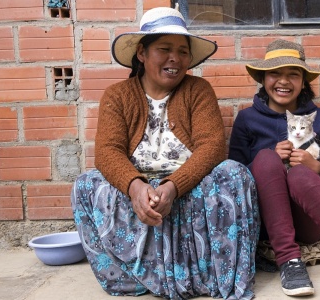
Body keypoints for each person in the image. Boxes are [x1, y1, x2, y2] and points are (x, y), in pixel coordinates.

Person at [70, 7, 260, 300]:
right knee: (85, 184)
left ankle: (213, 274)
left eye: (183, 51)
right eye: (164, 49)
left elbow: (211, 147)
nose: (176, 58)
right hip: (141, 187)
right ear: (142, 53)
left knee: (235, 173)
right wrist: (136, 187)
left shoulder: (198, 90)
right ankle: (131, 278)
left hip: (186, 186)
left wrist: (173, 187)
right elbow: (107, 152)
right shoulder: (117, 96)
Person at [228, 39, 320, 297]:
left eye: (293, 74)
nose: (283, 81)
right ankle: (289, 261)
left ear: (303, 81)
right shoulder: (247, 119)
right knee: (266, 158)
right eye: (275, 73)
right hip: (263, 222)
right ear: (264, 78)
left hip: (307, 225)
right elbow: (232, 179)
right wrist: (268, 162)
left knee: (299, 173)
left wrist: (317, 167)